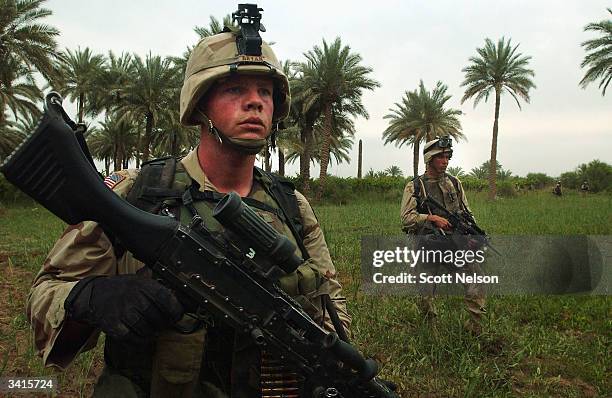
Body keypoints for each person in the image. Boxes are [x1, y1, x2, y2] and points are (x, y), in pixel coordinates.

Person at [26, 24, 351, 398]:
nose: (255, 102)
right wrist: (97, 297)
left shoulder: (291, 205)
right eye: (235, 90)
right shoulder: (137, 191)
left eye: (265, 91)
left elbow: (330, 305)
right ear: (199, 106)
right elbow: (44, 294)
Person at [400, 136, 486, 334]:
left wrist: (472, 233)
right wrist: (431, 219)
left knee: (477, 279)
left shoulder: (455, 183)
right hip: (427, 245)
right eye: (441, 157)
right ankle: (430, 329)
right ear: (430, 159)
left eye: (448, 156)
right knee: (426, 290)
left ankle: (475, 327)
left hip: (455, 243)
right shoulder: (415, 186)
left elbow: (467, 212)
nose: (445, 161)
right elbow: (406, 218)